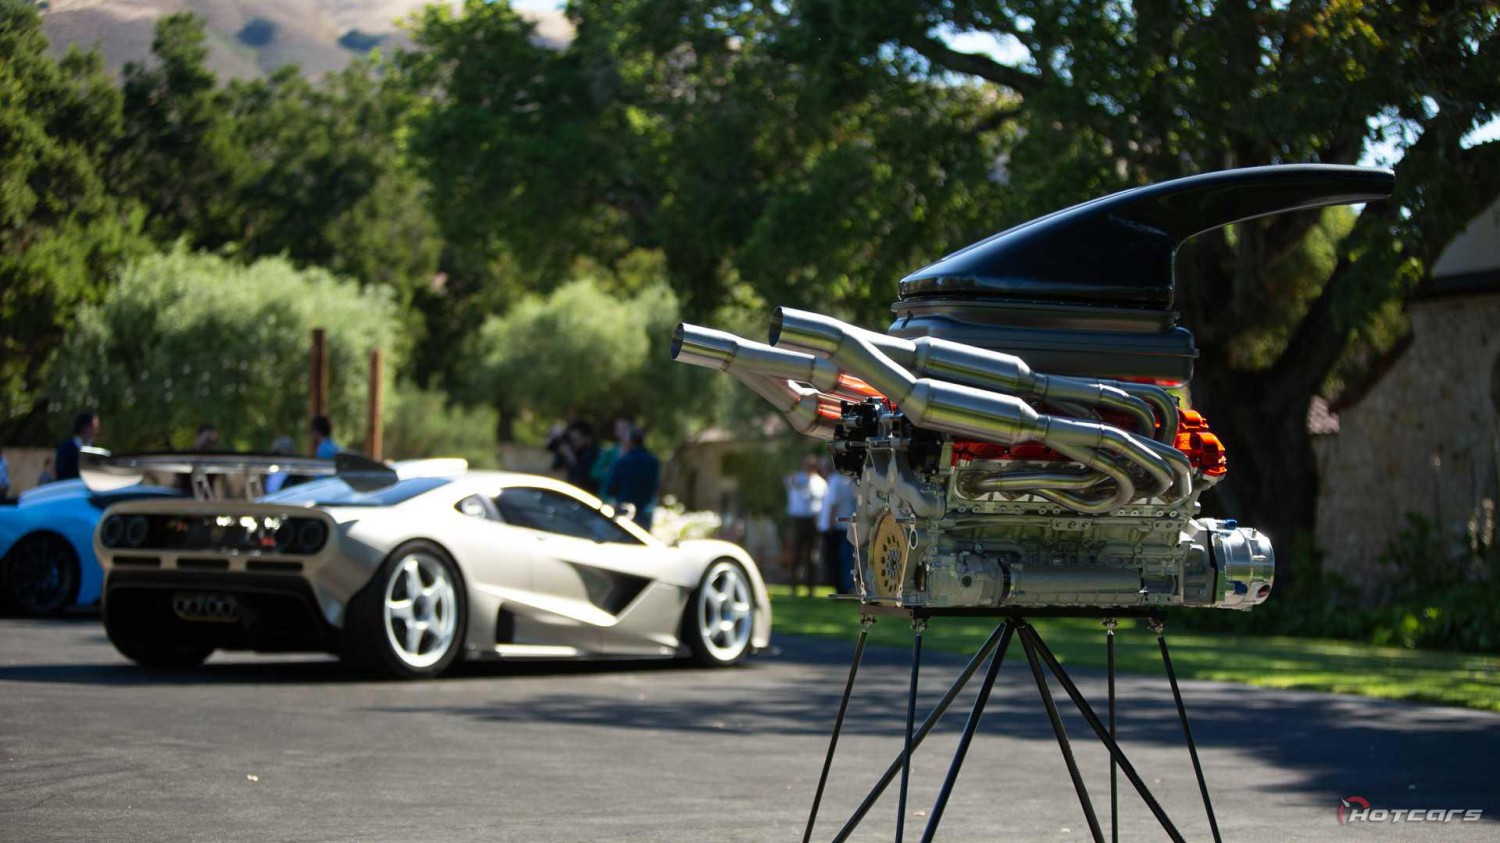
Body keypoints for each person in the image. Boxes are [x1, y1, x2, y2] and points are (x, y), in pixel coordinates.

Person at [784, 454, 827, 597]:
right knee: (796, 553)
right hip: (798, 519)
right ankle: (794, 586)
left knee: (811, 555)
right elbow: (788, 481)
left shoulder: (820, 483)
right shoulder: (798, 478)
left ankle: (810, 587)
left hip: (813, 520)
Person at [604, 427, 659, 530]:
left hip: (623, 510)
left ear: (630, 442)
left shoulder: (623, 461)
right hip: (644, 511)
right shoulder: (652, 461)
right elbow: (654, 487)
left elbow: (611, 488)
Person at [818, 460, 858, 593]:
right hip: (845, 526)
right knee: (845, 558)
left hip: (837, 527)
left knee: (839, 559)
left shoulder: (835, 481)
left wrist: (829, 525)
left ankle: (842, 587)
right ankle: (845, 586)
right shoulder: (844, 482)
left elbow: (833, 505)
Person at [590, 415, 635, 500]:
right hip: (606, 498)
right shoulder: (609, 451)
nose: (621, 431)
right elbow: (595, 472)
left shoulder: (635, 454)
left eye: (624, 428)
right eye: (618, 428)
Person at [54, 410, 100, 482]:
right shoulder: (65, 449)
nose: (96, 430)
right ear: (84, 427)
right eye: (93, 426)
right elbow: (61, 476)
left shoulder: (96, 450)